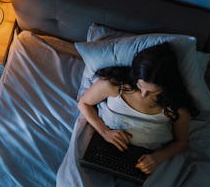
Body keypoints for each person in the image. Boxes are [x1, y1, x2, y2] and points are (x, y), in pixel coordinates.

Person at [78, 43, 198, 175]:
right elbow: (83, 103)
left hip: (145, 160)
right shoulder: (115, 85)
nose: (143, 95)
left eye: (153, 92)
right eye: (140, 86)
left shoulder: (175, 109)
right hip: (103, 146)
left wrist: (158, 157)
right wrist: (105, 132)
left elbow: (182, 142)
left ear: (166, 87)